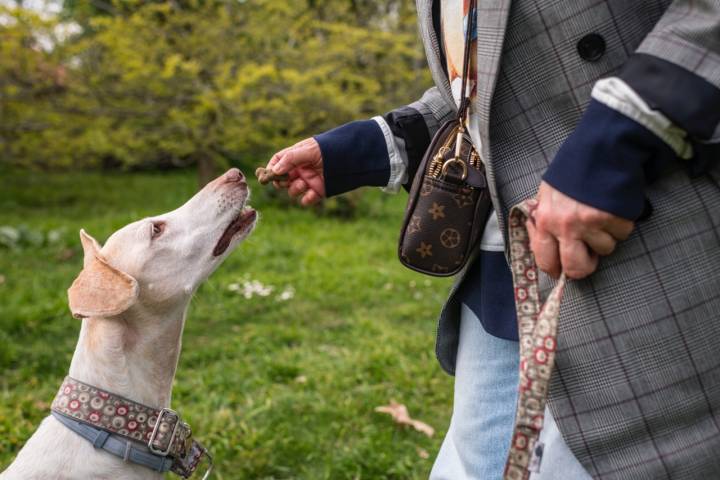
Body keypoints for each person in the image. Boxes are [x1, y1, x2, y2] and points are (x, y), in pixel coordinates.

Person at [264, 1, 720, 478]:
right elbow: (490, 89)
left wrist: (619, 139)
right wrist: (368, 146)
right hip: (502, 284)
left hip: (650, 259)